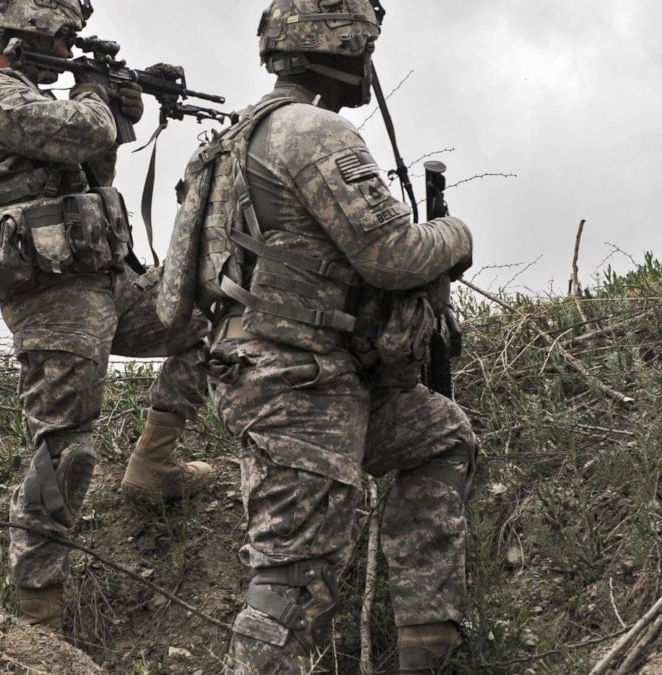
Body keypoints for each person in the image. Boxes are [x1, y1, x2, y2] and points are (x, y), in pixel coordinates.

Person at [167, 2, 477, 672]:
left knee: (439, 437)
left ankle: (427, 648)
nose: (370, 62)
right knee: (294, 582)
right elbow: (393, 255)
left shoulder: (233, 138)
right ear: (343, 49)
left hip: (303, 373)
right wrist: (455, 236)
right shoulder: (314, 131)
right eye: (367, 46)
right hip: (298, 382)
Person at [0, 0, 213, 629]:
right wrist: (96, 93)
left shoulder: (36, 101)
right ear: (27, 36)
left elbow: (92, 168)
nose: (69, 52)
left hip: (107, 281)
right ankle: (38, 609)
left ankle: (154, 464)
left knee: (209, 324)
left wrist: (122, 104)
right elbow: (82, 130)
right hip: (51, 296)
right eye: (64, 39)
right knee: (67, 449)